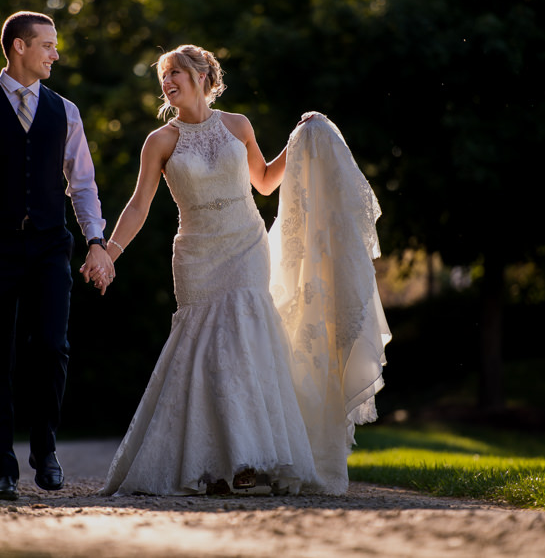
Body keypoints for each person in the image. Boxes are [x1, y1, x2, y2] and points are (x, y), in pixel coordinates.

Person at [95, 44, 389, 496]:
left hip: (247, 246)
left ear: (201, 76)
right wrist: (109, 252)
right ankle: (214, 462)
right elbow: (139, 205)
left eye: (175, 73)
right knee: (208, 352)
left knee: (247, 345)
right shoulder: (161, 141)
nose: (167, 82)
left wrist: (300, 141)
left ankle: (251, 461)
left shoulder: (238, 126)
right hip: (197, 253)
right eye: (163, 77)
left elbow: (266, 182)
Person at [0, 11, 114, 501]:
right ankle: (2, 468)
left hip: (49, 243)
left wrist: (96, 241)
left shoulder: (67, 111)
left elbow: (82, 184)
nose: (56, 54)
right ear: (19, 47)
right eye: (48, 45)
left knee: (53, 347)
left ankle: (44, 447)